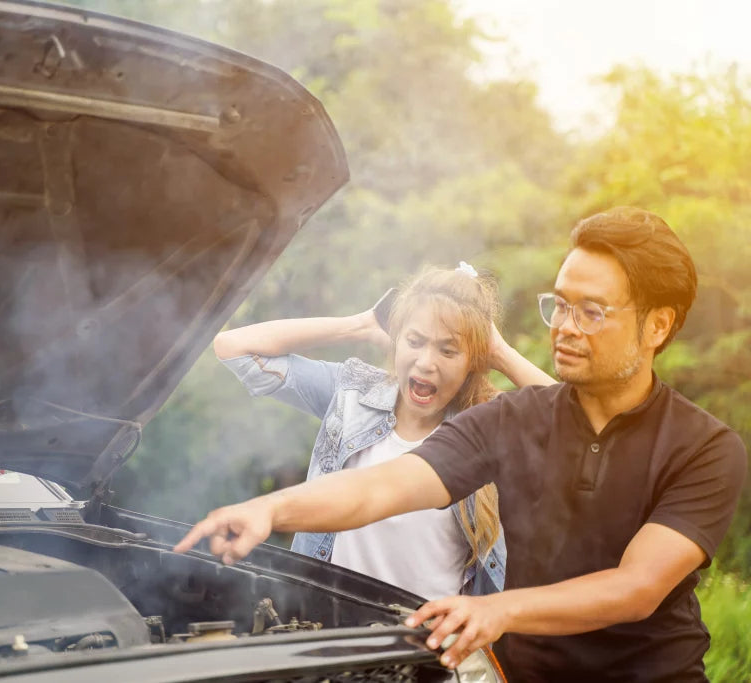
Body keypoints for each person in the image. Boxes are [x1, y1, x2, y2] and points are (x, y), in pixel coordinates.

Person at [175, 207, 749, 683]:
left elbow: (637, 587)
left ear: (657, 327)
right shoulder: (512, 417)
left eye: (592, 312)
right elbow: (387, 485)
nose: (565, 326)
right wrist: (271, 509)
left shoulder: (704, 447)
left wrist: (496, 608)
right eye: (561, 304)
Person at [213, 264, 555, 598]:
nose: (425, 362)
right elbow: (234, 348)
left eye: (448, 350)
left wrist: (499, 352)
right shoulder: (353, 392)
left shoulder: (489, 423)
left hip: (429, 645)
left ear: (472, 361)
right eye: (414, 341)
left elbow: (581, 427)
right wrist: (360, 325)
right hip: (330, 631)